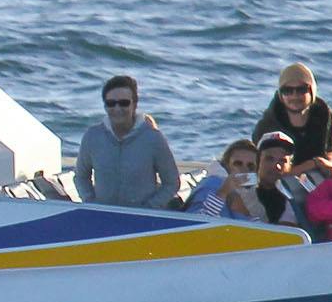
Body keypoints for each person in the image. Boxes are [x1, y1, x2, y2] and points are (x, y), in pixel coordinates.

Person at [73, 74, 183, 207]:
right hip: (102, 217)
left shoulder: (153, 139)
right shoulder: (92, 137)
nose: (117, 109)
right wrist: (91, 202)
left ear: (135, 105)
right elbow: (80, 177)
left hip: (143, 219)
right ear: (105, 106)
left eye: (124, 103)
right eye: (111, 103)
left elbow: (172, 183)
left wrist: (150, 207)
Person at [254, 62, 332, 178]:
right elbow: (270, 173)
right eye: (288, 90)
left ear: (312, 92)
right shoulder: (269, 125)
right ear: (280, 94)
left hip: (316, 175)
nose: (294, 96)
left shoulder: (323, 114)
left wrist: (329, 164)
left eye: (301, 90)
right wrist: (312, 164)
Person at [184, 139, 266, 220]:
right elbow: (196, 222)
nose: (244, 169)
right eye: (238, 164)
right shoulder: (212, 184)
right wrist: (223, 193)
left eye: (250, 166)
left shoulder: (254, 194)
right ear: (226, 165)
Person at [251, 130, 309, 228]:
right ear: (257, 161)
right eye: (269, 159)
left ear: (290, 166)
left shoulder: (298, 197)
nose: (277, 166)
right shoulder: (242, 193)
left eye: (283, 160)